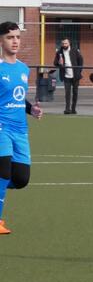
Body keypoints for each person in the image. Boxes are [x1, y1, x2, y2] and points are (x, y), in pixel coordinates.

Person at [0, 21, 44, 235]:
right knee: (3, 171)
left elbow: (17, 98)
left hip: (20, 130)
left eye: (17, 37)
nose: (15, 41)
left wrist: (31, 109)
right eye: (10, 37)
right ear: (1, 41)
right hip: (2, 128)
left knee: (20, 179)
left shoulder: (23, 69)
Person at [53, 38, 83, 114]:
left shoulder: (74, 50)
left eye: (66, 43)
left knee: (75, 93)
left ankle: (73, 109)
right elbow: (55, 63)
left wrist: (79, 71)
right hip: (66, 76)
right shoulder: (59, 52)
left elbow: (81, 60)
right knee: (67, 93)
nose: (64, 45)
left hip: (75, 75)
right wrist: (59, 63)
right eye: (63, 43)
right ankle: (67, 109)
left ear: (69, 43)